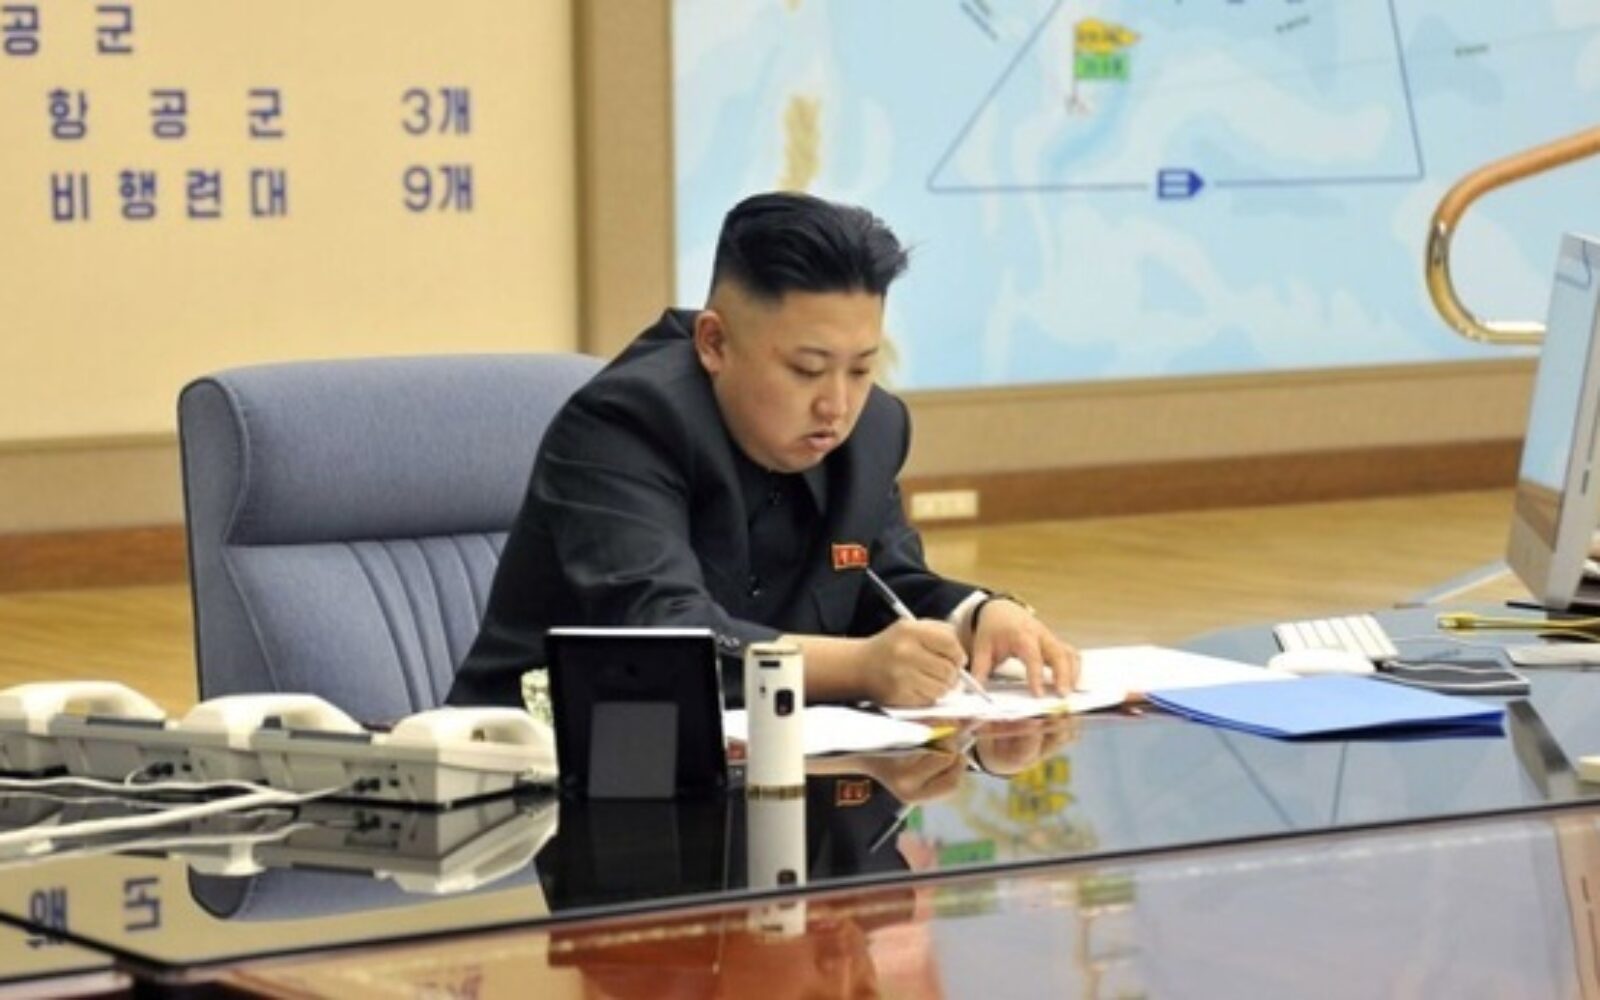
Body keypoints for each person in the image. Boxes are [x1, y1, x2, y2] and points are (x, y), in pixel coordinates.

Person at [447, 191, 1077, 708]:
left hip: (766, 767)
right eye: (807, 370)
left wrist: (978, 616)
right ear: (714, 343)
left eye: (862, 368)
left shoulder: (875, 430)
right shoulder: (624, 423)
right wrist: (860, 668)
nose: (837, 406)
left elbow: (880, 581)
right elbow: (663, 634)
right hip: (536, 772)